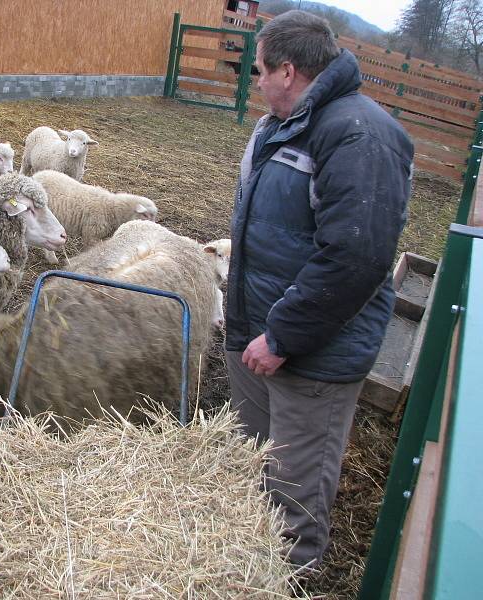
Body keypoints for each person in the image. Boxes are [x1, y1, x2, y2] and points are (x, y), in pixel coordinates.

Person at [225, 10, 413, 568]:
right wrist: (246, 328)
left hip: (311, 355)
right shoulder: (281, 125)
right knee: (249, 467)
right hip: (257, 335)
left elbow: (356, 257)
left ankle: (288, 576)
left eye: (259, 70)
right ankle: (235, 567)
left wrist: (281, 336)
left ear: (287, 70)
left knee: (294, 486)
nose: (255, 81)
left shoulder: (359, 135)